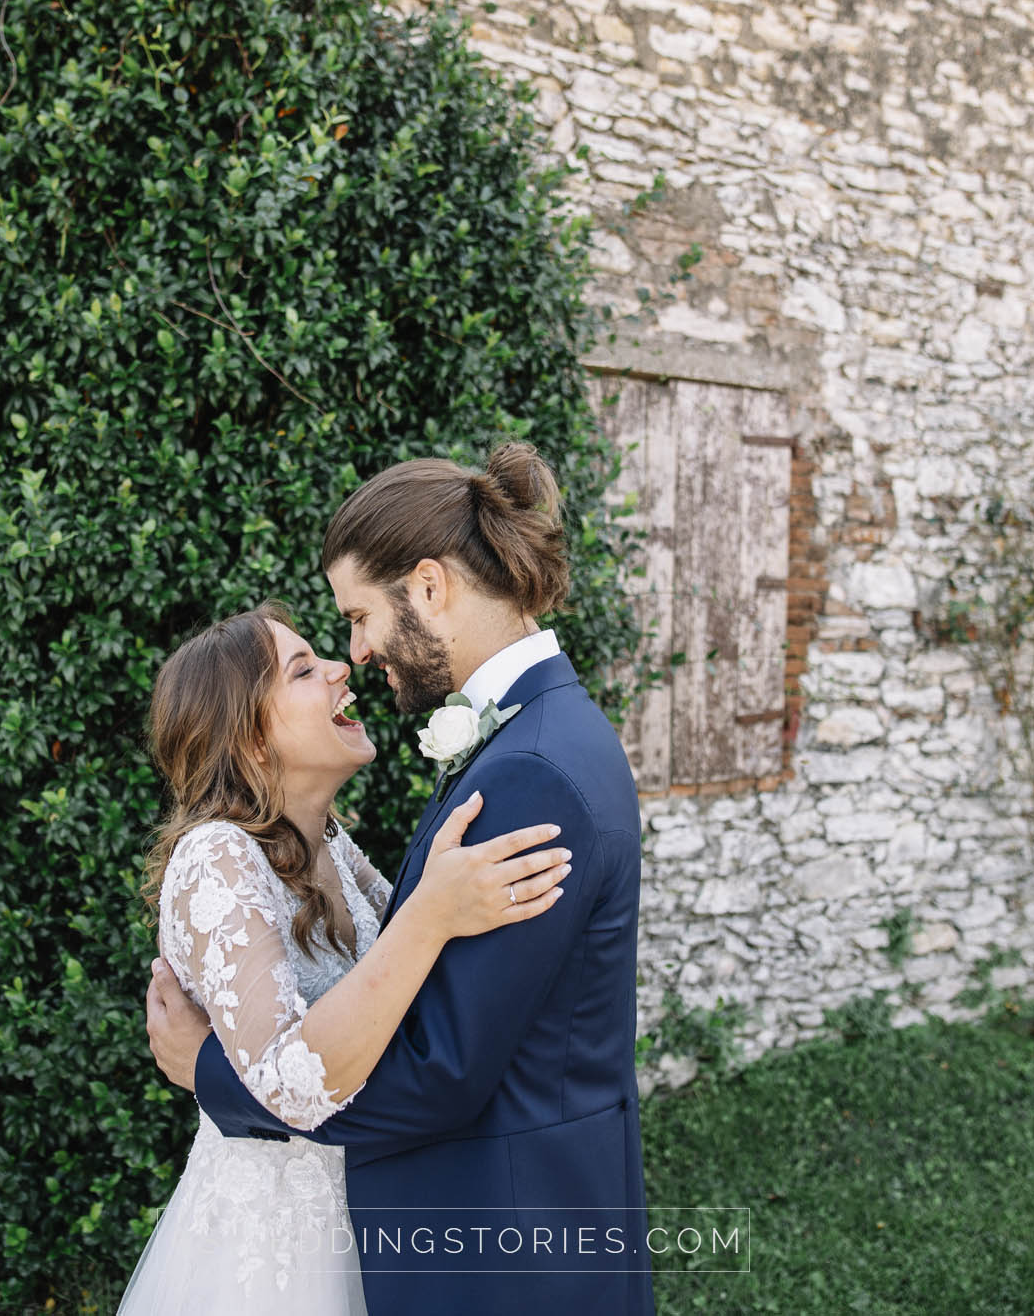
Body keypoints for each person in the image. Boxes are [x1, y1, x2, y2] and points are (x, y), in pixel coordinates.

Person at [146, 443, 654, 1315]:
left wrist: (209, 1073)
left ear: (427, 587)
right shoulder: (540, 741)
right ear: (250, 735)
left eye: (354, 617)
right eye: (311, 659)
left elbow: (440, 1069)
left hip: (508, 1251)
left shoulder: (533, 767)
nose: (353, 653)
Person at [116, 599, 573, 1315]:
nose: (341, 667)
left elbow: (419, 989)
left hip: (373, 1209)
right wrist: (430, 917)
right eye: (304, 669)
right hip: (277, 1254)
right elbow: (288, 1083)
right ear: (251, 740)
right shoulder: (216, 858)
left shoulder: (328, 842)